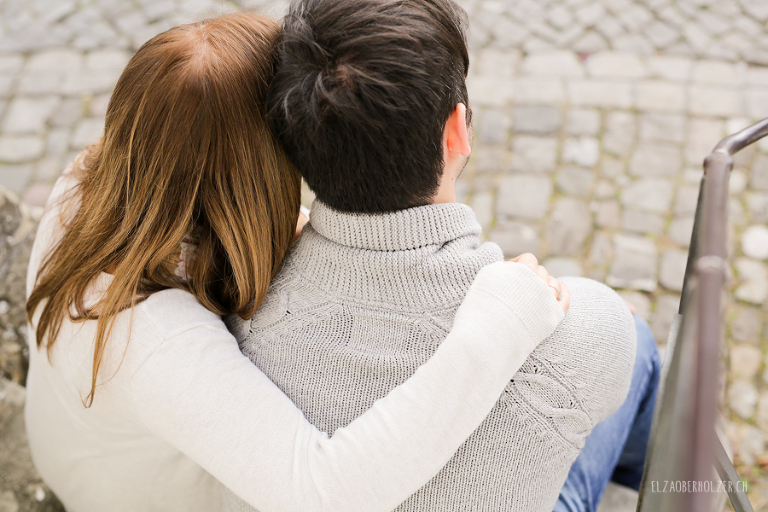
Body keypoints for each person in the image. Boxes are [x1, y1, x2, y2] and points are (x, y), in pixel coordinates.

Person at [23, 12, 570, 512]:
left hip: (90, 461)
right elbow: (322, 492)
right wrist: (498, 330)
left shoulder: (88, 182)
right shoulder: (154, 339)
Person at [223, 0, 660, 511]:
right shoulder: (587, 329)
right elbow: (602, 343)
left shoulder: (239, 303)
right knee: (641, 342)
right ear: (458, 130)